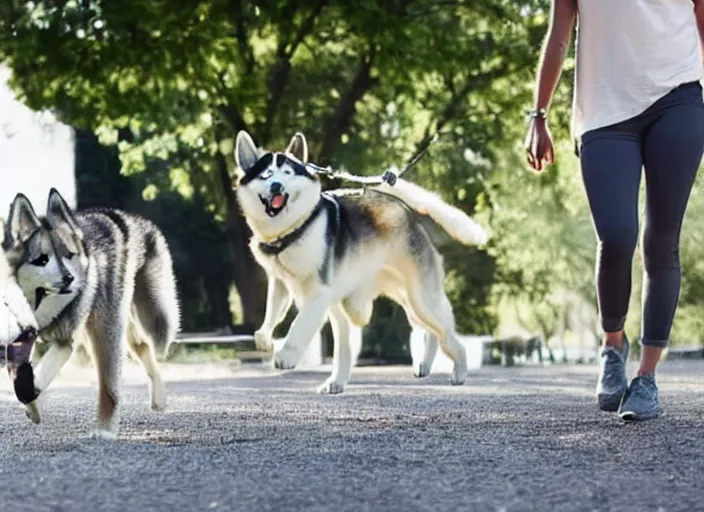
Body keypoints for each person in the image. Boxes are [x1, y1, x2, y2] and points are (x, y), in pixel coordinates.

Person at [525, 0, 704, 421]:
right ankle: (613, 345)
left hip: (678, 97)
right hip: (603, 111)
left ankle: (646, 378)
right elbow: (559, 34)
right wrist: (538, 114)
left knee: (661, 242)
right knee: (617, 235)